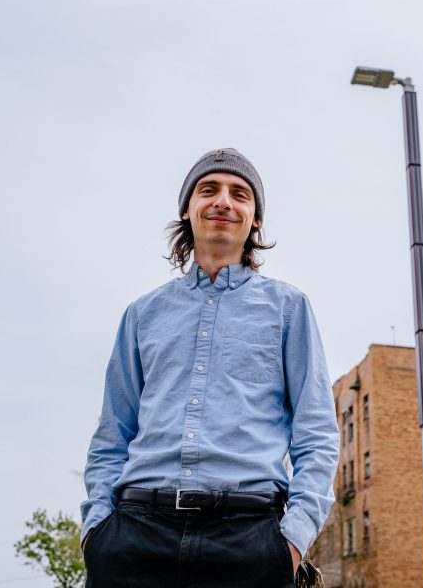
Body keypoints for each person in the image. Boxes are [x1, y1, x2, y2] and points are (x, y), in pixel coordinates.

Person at [80, 148, 340, 587]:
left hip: (249, 540)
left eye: (240, 194)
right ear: (188, 209)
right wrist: (97, 530)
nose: (223, 201)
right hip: (134, 537)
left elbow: (316, 433)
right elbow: (113, 432)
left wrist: (292, 541)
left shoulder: (289, 309)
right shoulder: (143, 314)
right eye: (208, 189)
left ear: (254, 218)